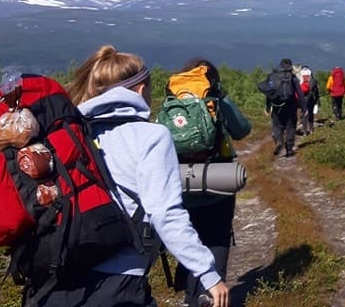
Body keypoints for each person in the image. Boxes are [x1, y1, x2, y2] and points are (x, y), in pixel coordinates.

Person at [59, 45, 230, 307]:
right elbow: (165, 213)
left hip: (59, 277)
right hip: (120, 280)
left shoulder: (69, 134)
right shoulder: (151, 136)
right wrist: (208, 274)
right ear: (140, 90)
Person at [172, 58, 252, 307]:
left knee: (190, 236)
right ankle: (210, 296)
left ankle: (190, 297)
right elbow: (241, 129)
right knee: (217, 237)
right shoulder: (216, 98)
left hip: (183, 181)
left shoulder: (173, 100)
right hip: (219, 179)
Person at [259, 58, 299, 157]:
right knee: (290, 126)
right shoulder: (292, 77)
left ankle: (278, 141)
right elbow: (299, 92)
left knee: (277, 125)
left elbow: (269, 93)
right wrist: (304, 107)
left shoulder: (273, 76)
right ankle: (289, 148)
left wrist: (268, 107)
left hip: (277, 106)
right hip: (291, 105)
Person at [295, 64, 320, 135]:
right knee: (310, 113)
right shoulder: (313, 80)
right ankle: (311, 129)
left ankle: (305, 131)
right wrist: (317, 100)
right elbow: (316, 91)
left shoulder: (299, 79)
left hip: (302, 98)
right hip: (311, 98)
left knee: (304, 114)